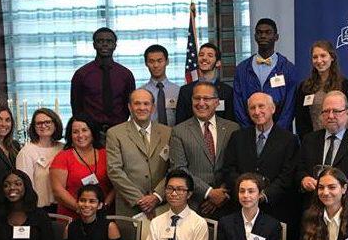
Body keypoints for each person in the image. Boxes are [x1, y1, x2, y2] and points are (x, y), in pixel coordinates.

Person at [222, 92, 299, 225]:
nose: (257, 112)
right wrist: (247, 192)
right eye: (252, 108)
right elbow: (229, 169)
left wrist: (263, 196)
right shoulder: (238, 137)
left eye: (261, 106)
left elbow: (287, 175)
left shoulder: (289, 140)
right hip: (242, 209)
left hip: (275, 209)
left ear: (273, 108)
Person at [296, 91, 348, 210]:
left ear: (347, 113)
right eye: (326, 111)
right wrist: (303, 180)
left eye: (336, 111)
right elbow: (299, 171)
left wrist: (339, 184)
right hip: (315, 211)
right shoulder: (309, 140)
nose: (330, 116)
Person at [170, 81, 240, 218]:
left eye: (206, 98)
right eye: (197, 98)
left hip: (228, 203)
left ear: (217, 102)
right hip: (195, 205)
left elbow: (238, 166)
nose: (201, 103)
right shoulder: (179, 131)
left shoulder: (233, 128)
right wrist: (209, 193)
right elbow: (179, 169)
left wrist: (222, 193)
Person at [105, 89, 172, 218]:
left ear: (153, 108)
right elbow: (114, 171)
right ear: (130, 107)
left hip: (162, 205)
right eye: (137, 103)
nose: (142, 108)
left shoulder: (168, 133)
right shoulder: (115, 134)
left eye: (146, 104)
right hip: (130, 207)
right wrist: (141, 200)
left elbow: (173, 168)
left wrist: (157, 196)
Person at [233, 19, 298, 130]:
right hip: (250, 134)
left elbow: (290, 106)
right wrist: (250, 131)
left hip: (281, 135)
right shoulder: (242, 69)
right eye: (259, 32)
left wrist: (276, 134)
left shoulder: (287, 68)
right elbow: (238, 105)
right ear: (255, 36)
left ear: (276, 37)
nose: (263, 36)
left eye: (268, 32)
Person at [70, 27, 136, 133]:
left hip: (120, 130)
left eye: (109, 41)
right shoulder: (81, 74)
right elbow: (76, 107)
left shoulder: (125, 74)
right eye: (100, 41)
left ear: (115, 45)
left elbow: (130, 104)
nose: (105, 44)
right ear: (94, 45)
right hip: (91, 132)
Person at [50, 115, 114, 219]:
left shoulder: (106, 154)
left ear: (92, 132)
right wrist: (83, 209)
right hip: (72, 216)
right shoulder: (63, 157)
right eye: (75, 132)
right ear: (70, 135)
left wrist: (104, 206)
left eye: (84, 130)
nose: (80, 135)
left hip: (104, 215)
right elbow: (58, 191)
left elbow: (115, 184)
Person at [294, 40, 348, 137]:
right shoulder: (304, 87)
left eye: (323, 56)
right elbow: (300, 120)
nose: (319, 60)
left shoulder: (344, 84)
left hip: (340, 140)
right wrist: (307, 141)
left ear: (332, 57)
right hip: (313, 141)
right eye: (315, 57)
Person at [16, 108, 64, 213]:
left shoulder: (63, 149)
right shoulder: (27, 152)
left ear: (55, 124)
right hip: (39, 209)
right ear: (34, 127)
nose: (43, 126)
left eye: (47, 122)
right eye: (39, 123)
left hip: (64, 206)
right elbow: (24, 186)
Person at [175, 42, 237, 124]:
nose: (204, 58)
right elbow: (180, 123)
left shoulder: (227, 91)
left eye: (210, 55)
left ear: (218, 63)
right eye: (201, 55)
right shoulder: (185, 91)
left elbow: (230, 123)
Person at [139, 44, 179, 127]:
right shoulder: (141, 92)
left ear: (167, 61)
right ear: (146, 63)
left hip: (175, 136)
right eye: (151, 61)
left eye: (160, 61)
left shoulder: (178, 91)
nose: (156, 65)